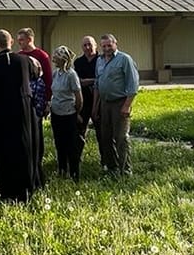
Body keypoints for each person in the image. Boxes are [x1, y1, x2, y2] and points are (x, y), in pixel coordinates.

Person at [0, 29, 42, 201]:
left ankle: (7, 190)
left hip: (4, 110)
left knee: (5, 149)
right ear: (11, 42)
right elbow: (37, 75)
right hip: (24, 110)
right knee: (25, 147)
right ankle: (27, 188)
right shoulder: (24, 60)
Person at [95, 33, 140, 176]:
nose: (107, 48)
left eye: (109, 45)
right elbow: (97, 83)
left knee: (121, 138)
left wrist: (127, 105)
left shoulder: (124, 59)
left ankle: (126, 170)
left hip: (119, 102)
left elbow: (133, 84)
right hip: (105, 103)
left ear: (115, 44)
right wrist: (96, 106)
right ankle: (112, 168)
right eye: (104, 46)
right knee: (106, 137)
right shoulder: (99, 61)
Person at [49, 46, 85, 179]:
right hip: (56, 113)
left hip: (69, 114)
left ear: (63, 58)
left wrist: (77, 112)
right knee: (59, 142)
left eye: (56, 55)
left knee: (71, 144)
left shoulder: (71, 74)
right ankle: (62, 169)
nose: (53, 58)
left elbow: (78, 97)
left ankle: (74, 173)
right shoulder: (55, 73)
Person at [17, 27, 53, 114]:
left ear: (29, 39)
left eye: (21, 39)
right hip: (23, 98)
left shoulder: (42, 56)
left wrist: (48, 101)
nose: (19, 42)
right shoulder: (18, 56)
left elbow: (48, 79)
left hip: (38, 98)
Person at [73, 35, 99, 137]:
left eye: (90, 44)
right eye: (85, 45)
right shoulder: (78, 62)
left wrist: (87, 81)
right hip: (83, 101)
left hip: (98, 101)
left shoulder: (102, 61)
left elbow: (103, 80)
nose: (87, 47)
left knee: (102, 132)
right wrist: (95, 80)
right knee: (80, 131)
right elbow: (78, 82)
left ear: (96, 46)